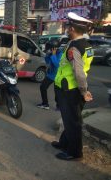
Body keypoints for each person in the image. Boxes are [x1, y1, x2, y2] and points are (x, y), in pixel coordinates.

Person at [52, 12, 94, 161]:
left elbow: (79, 72)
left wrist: (84, 91)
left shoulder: (75, 48)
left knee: (73, 122)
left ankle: (75, 152)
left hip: (70, 90)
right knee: (68, 119)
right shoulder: (87, 46)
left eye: (68, 27)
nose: (66, 29)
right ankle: (64, 143)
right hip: (71, 88)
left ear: (72, 29)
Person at [37, 39, 62, 110]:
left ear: (54, 48)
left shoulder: (60, 54)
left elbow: (57, 65)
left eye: (50, 48)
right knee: (43, 87)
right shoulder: (51, 53)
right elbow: (47, 62)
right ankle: (45, 104)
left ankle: (59, 106)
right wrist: (48, 55)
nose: (49, 49)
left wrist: (53, 55)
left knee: (57, 91)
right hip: (51, 74)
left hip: (57, 75)